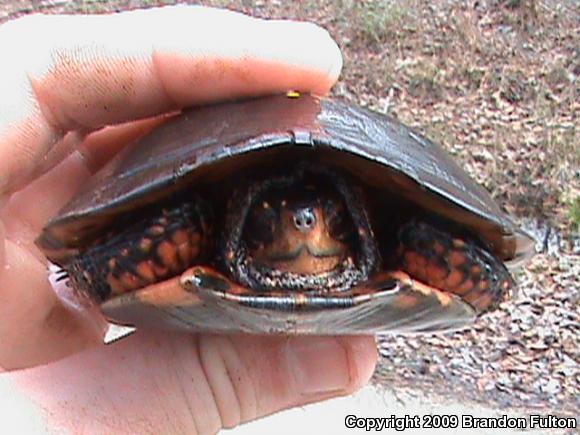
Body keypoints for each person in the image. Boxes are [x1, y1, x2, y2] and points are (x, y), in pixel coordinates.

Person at [0, 6, 378, 433]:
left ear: (361, 227)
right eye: (269, 220)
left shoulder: (389, 227)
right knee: (183, 224)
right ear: (240, 225)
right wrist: (101, 263)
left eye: (330, 219)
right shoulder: (198, 225)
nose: (305, 228)